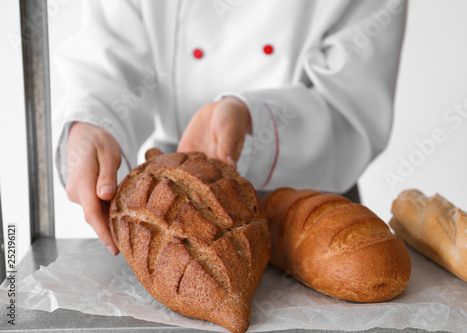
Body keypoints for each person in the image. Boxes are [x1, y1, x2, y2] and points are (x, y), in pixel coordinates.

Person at [54, 0, 408, 256]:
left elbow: (352, 107)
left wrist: (253, 119)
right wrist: (92, 123)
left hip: (313, 210)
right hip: (172, 201)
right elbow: (110, 57)